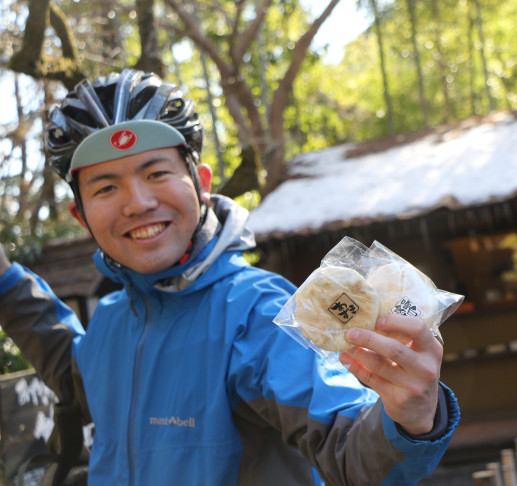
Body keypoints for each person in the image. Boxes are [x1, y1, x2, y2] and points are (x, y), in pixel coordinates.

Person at [0, 70, 459, 485]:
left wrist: (409, 420)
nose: (137, 202)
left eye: (156, 172)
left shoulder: (257, 310)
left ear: (200, 183)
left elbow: (346, 447)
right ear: (80, 216)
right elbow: (73, 372)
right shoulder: (112, 320)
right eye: (106, 187)